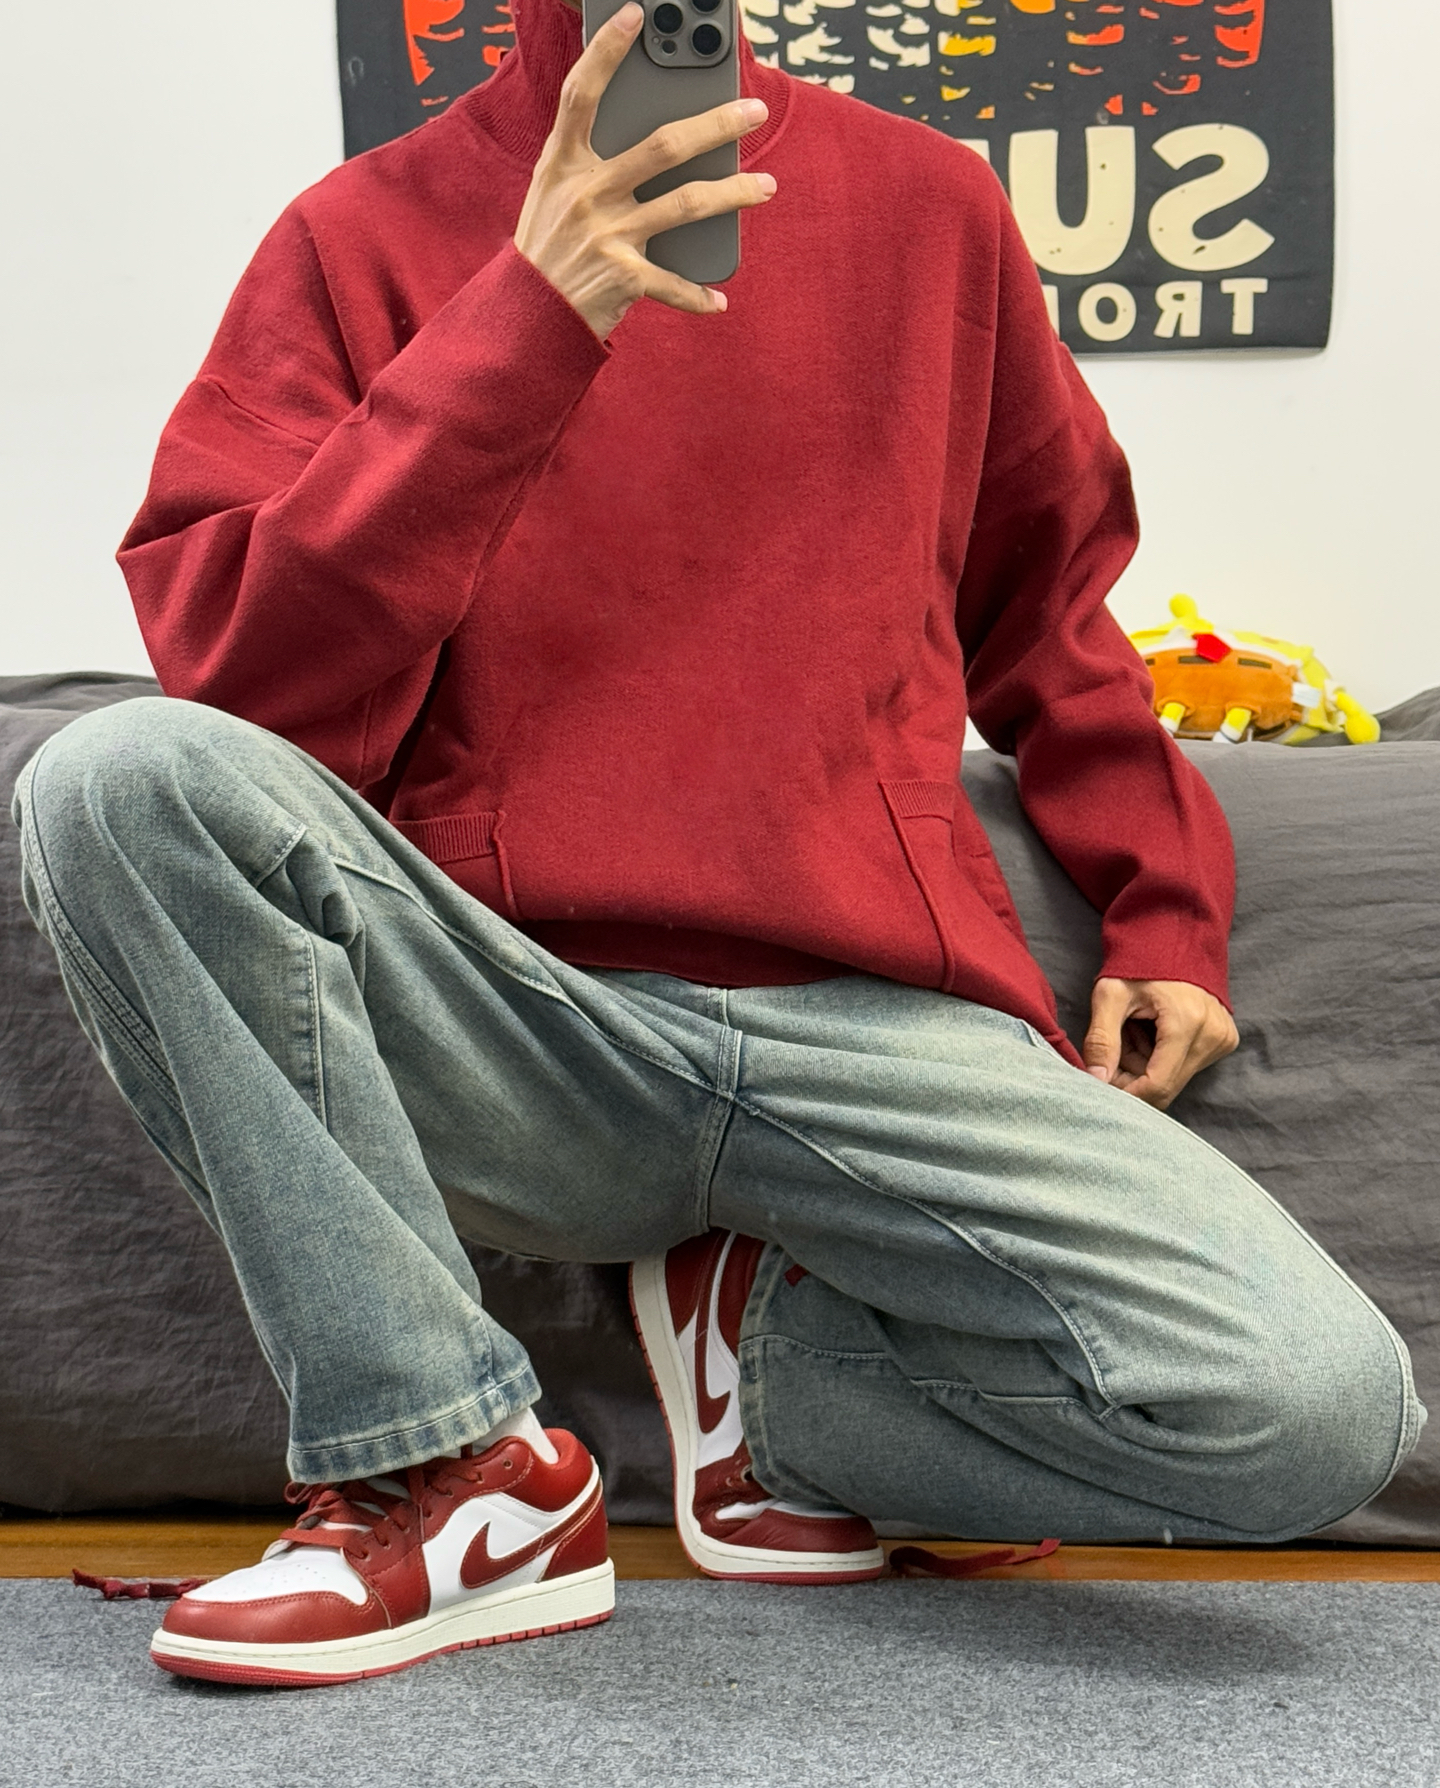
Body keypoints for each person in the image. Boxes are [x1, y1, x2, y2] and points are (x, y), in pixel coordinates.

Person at [14, 0, 1418, 1687]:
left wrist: (1164, 904)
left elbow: (1052, 609)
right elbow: (245, 683)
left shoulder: (930, 207)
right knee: (114, 776)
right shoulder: (358, 234)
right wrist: (530, 317)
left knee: (1321, 1413)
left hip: (876, 1029)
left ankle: (779, 1399)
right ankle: (448, 1463)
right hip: (525, 1021)